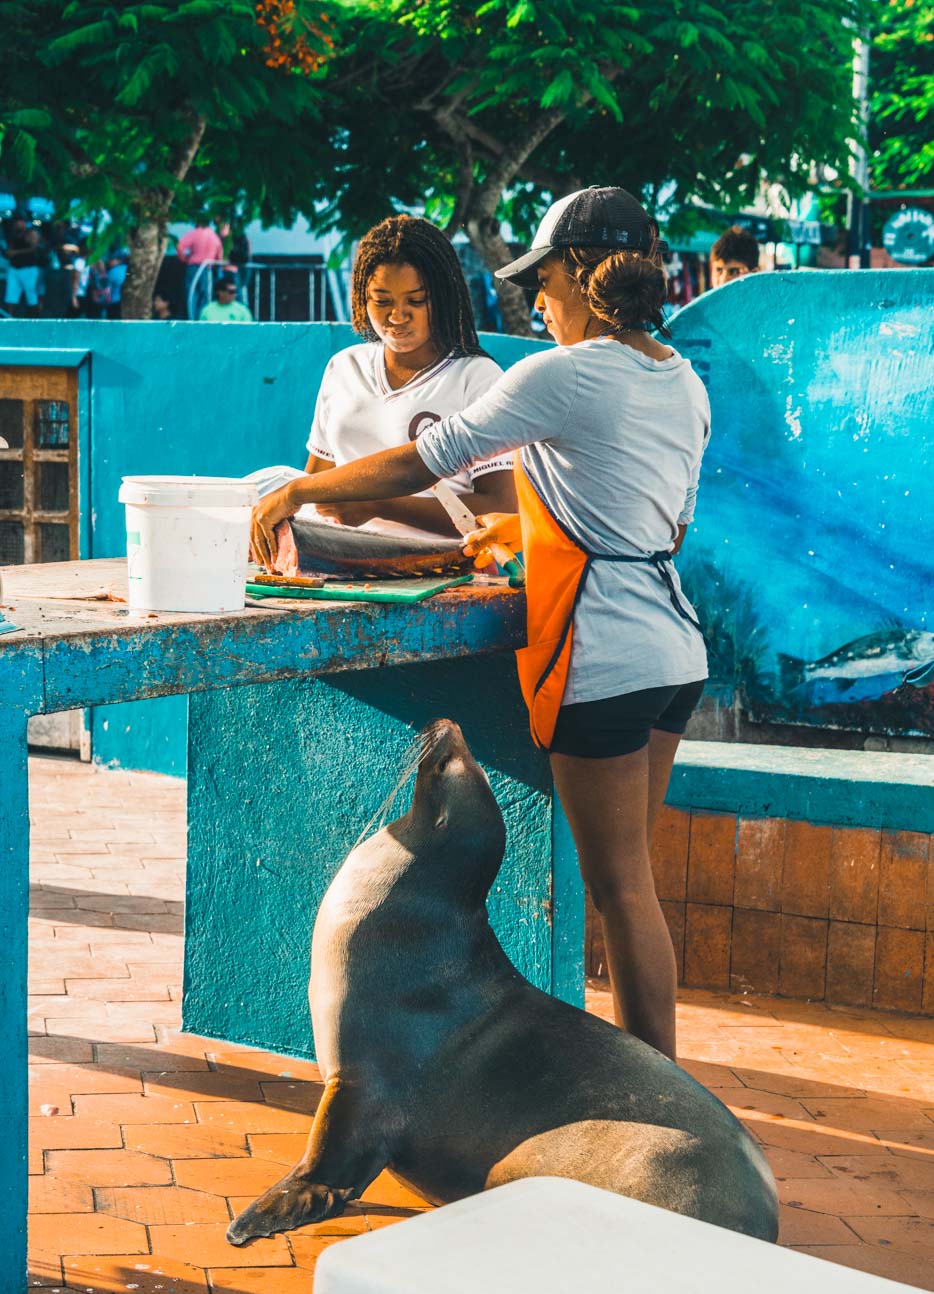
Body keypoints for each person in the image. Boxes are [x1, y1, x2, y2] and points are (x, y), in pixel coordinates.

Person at [250, 188, 709, 1061]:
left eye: (544, 281)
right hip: (673, 648)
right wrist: (525, 530)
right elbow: (659, 525)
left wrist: (303, 488)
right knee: (633, 886)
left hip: (604, 651)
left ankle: (657, 1093)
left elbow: (429, 459)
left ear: (582, 276)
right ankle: (659, 1078)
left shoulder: (562, 372)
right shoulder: (680, 378)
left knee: (618, 890)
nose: (536, 302)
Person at [246, 214, 515, 539]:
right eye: (382, 301)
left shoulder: (477, 378)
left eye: (416, 300)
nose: (397, 316)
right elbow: (315, 489)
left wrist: (380, 505)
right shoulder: (344, 368)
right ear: (363, 298)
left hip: (444, 572)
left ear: (444, 296)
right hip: (345, 570)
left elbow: (503, 508)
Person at [177, 217, 224, 319]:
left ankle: (191, 318)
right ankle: (203, 318)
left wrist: (184, 258)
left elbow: (180, 245)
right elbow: (219, 257)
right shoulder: (214, 237)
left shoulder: (194, 234)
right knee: (205, 295)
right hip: (207, 269)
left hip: (194, 267)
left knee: (191, 293)